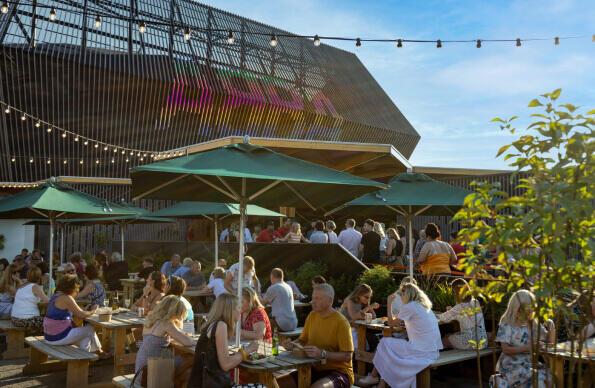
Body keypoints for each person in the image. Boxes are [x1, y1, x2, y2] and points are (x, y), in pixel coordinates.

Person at [360, 283, 443, 388]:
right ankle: (380, 383)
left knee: (384, 343)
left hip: (420, 351)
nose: (401, 297)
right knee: (388, 350)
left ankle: (373, 377)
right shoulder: (423, 306)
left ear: (407, 294)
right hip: (433, 351)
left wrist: (389, 303)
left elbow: (390, 323)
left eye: (401, 295)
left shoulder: (410, 306)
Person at [282, 283, 354, 387]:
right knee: (276, 384)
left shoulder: (341, 322)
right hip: (313, 369)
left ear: (330, 301)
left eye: (317, 298)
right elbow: (302, 340)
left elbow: (347, 356)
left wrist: (323, 354)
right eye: (312, 298)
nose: (312, 301)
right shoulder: (312, 316)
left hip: (339, 372)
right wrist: (292, 344)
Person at [187, 294, 261, 388]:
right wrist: (247, 350)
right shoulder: (220, 325)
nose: (240, 310)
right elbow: (226, 364)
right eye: (238, 307)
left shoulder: (213, 324)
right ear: (229, 310)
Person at [490, 290, 555, 388]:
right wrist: (528, 347)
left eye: (531, 309)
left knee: (548, 378)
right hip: (512, 365)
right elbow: (505, 349)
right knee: (539, 380)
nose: (530, 312)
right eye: (527, 309)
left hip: (529, 363)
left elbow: (550, 342)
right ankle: (501, 381)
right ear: (517, 308)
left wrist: (551, 326)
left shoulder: (532, 322)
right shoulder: (507, 323)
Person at [43, 274, 110, 357]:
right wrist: (93, 310)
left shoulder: (56, 296)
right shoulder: (66, 298)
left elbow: (76, 312)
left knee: (85, 337)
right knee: (89, 329)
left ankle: (84, 357)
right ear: (71, 288)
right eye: (77, 288)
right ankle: (99, 352)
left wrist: (85, 310)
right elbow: (81, 315)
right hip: (58, 337)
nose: (78, 291)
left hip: (49, 336)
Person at [135, 295, 194, 386]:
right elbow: (188, 342)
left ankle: (173, 382)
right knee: (191, 359)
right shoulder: (166, 323)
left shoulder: (150, 320)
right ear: (175, 312)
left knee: (181, 360)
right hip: (153, 368)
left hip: (141, 368)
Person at [438, 279, 487, 350]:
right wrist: (452, 311)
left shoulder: (459, 307)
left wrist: (449, 311)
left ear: (456, 293)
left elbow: (443, 318)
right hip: (483, 341)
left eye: (453, 292)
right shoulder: (476, 302)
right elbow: (463, 315)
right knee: (450, 336)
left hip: (471, 342)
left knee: (443, 341)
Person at [340, 284, 379, 348]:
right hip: (345, 329)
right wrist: (369, 308)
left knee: (374, 340)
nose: (368, 299)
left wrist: (369, 308)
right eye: (366, 297)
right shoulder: (349, 301)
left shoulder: (363, 301)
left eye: (369, 297)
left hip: (356, 328)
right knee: (368, 342)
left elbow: (374, 316)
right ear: (359, 294)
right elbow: (354, 316)